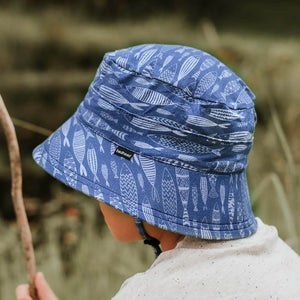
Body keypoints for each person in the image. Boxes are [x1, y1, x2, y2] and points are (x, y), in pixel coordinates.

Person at [16, 44, 300, 300]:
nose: (94, 194)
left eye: (103, 177)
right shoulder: (284, 262)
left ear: (143, 184)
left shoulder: (148, 294)